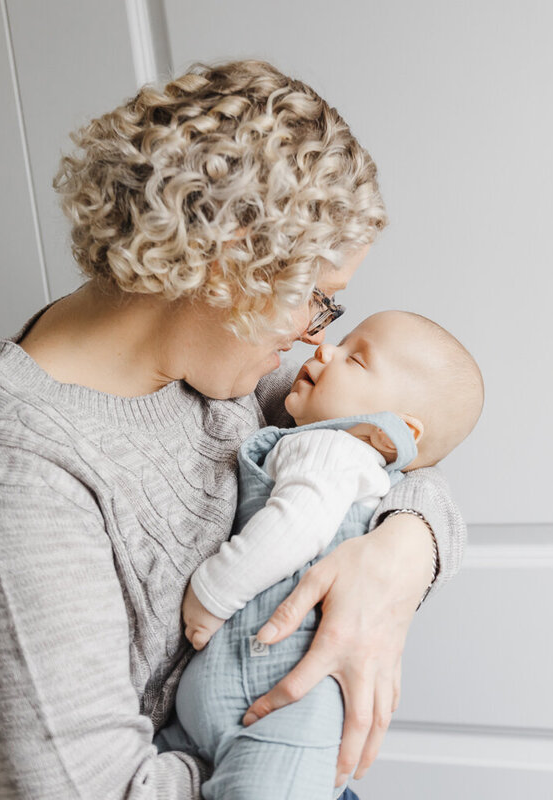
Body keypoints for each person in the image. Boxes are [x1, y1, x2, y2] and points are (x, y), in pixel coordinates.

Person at [0, 60, 466, 799]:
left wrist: (398, 559)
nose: (314, 336)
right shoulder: (16, 468)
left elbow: (402, 452)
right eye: (315, 297)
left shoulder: (220, 362)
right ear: (230, 261)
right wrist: (277, 756)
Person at [176, 311, 484, 799]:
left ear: (389, 433)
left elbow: (293, 526)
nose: (321, 348)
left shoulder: (331, 449)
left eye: (355, 358)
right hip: (255, 695)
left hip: (280, 696)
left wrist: (211, 592)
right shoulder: (333, 441)